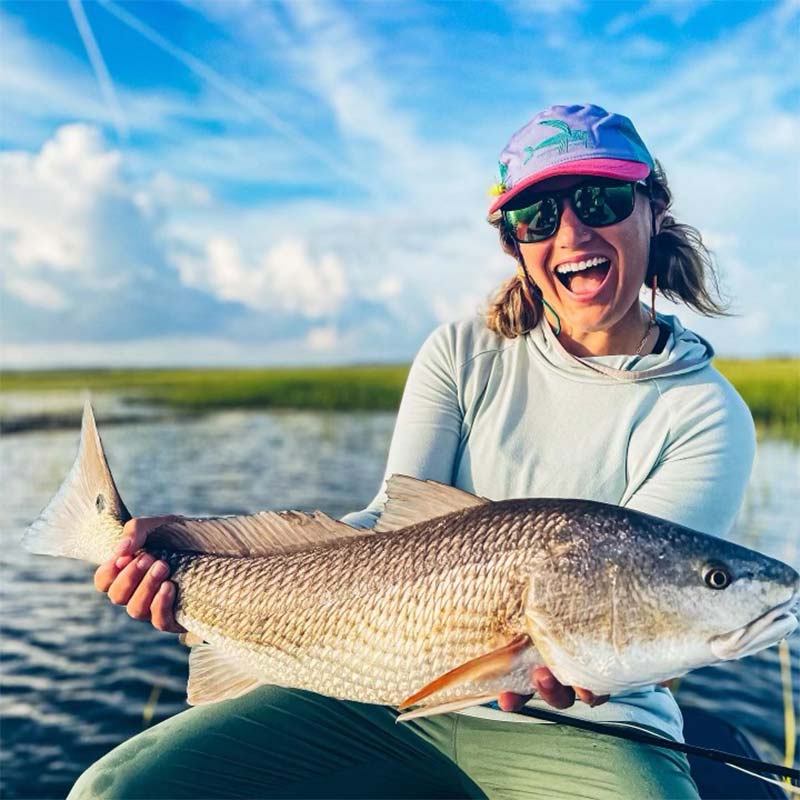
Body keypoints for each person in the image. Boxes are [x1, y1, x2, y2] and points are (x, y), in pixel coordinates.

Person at [71, 104, 755, 799]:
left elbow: (638, 606)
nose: (572, 232)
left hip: (589, 725)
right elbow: (386, 531)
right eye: (537, 218)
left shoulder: (707, 413)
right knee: (116, 790)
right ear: (514, 243)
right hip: (373, 692)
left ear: (653, 208)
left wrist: (564, 656)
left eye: (600, 200)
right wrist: (190, 550)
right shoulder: (461, 353)